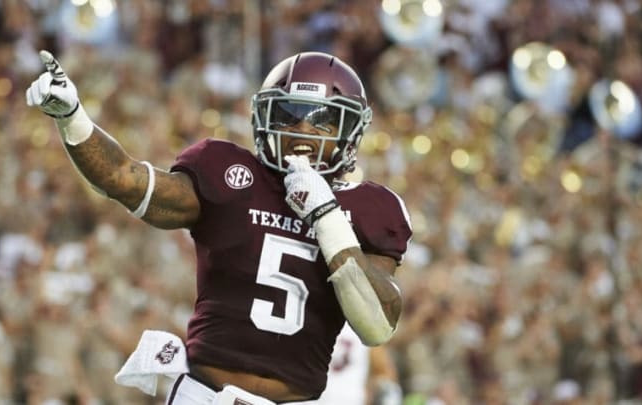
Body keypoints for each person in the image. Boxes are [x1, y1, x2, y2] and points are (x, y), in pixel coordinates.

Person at [25, 49, 412, 404]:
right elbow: (123, 179)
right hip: (203, 396)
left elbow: (376, 326)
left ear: (350, 132)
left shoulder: (369, 208)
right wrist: (73, 116)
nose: (302, 132)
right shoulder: (229, 173)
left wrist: (326, 216)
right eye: (289, 114)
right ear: (265, 116)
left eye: (321, 121)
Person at [300, 322, 403, 405]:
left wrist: (375, 390)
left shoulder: (364, 324)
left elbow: (385, 374)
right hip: (305, 399)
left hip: (348, 399)